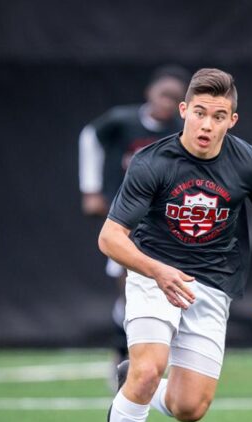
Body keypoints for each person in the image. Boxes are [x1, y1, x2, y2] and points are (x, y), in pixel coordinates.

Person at [94, 68, 252, 422]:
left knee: (190, 408)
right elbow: (110, 237)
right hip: (155, 276)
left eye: (218, 116)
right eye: (199, 113)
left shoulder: (251, 163)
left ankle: (135, 385)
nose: (207, 125)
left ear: (232, 121)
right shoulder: (153, 162)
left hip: (213, 286)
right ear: (184, 111)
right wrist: (155, 270)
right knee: (150, 369)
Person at [79, 65, 191, 382]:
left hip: (161, 222)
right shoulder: (122, 121)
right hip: (124, 220)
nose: (167, 103)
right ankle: (122, 355)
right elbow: (89, 136)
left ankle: (155, 356)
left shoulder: (178, 133)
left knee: (163, 287)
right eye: (163, 94)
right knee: (127, 287)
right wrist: (90, 188)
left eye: (176, 98)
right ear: (149, 92)